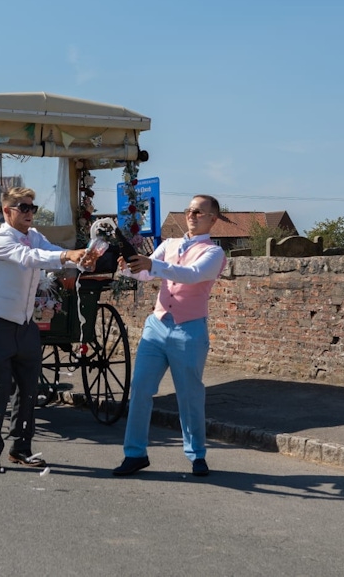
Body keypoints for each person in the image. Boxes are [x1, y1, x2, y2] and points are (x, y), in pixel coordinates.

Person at [0, 187, 93, 473]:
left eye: (32, 208)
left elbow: (48, 251)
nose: (29, 213)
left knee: (29, 388)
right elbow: (30, 258)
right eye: (23, 208)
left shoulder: (34, 236)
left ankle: (21, 449)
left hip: (24, 323)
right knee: (0, 387)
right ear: (7, 211)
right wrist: (67, 255)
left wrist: (78, 258)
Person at [113, 195, 227, 477]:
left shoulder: (214, 253)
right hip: (158, 323)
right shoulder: (170, 244)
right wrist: (130, 267)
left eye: (199, 212)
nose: (192, 215)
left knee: (189, 395)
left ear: (212, 219)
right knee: (140, 389)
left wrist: (151, 266)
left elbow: (192, 274)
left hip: (189, 328)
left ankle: (196, 453)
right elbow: (147, 274)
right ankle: (135, 453)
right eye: (190, 210)